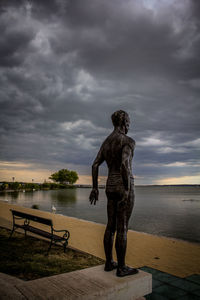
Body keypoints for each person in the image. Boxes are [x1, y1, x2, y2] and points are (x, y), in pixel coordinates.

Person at [89, 110, 138, 277]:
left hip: (109, 186)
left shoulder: (107, 142)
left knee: (110, 226)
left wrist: (95, 188)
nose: (129, 124)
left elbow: (95, 165)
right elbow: (125, 164)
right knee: (122, 227)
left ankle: (109, 262)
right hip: (123, 186)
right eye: (129, 120)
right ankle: (122, 267)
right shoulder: (128, 141)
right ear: (124, 121)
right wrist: (127, 189)